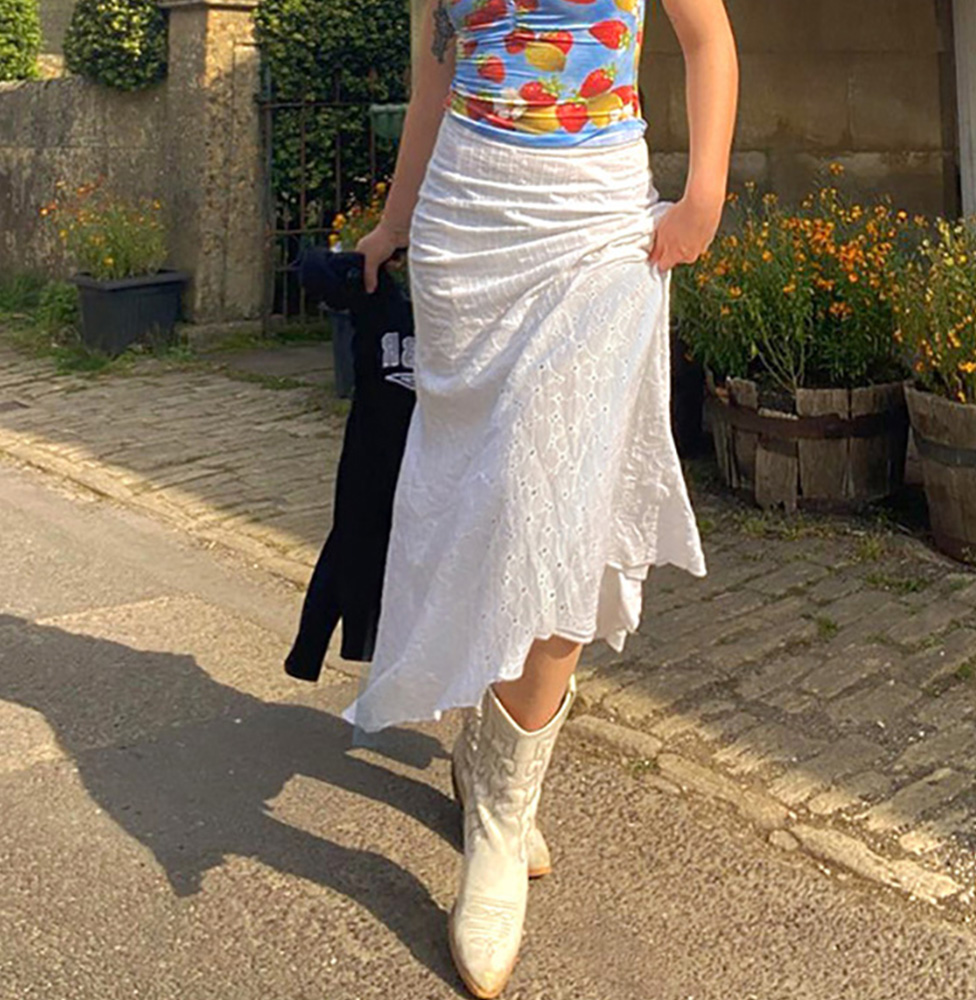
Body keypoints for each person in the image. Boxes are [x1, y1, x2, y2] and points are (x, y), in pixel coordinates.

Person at [347, 0, 738, 994]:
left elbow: (707, 38)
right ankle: (485, 757)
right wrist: (394, 221)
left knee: (564, 512)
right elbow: (436, 74)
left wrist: (705, 194)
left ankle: (499, 812)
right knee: (485, 511)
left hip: (597, 226)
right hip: (469, 228)